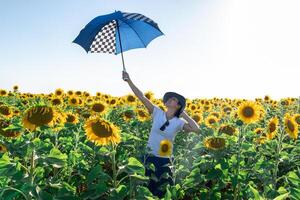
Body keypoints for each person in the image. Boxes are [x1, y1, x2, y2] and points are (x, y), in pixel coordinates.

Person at [122, 70, 200, 198]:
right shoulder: (157, 113)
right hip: (149, 157)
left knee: (161, 192)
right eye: (169, 98)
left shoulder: (179, 123)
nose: (170, 99)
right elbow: (142, 97)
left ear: (178, 105)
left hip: (165, 160)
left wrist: (184, 114)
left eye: (174, 99)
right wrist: (128, 80)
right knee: (146, 191)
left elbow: (196, 129)